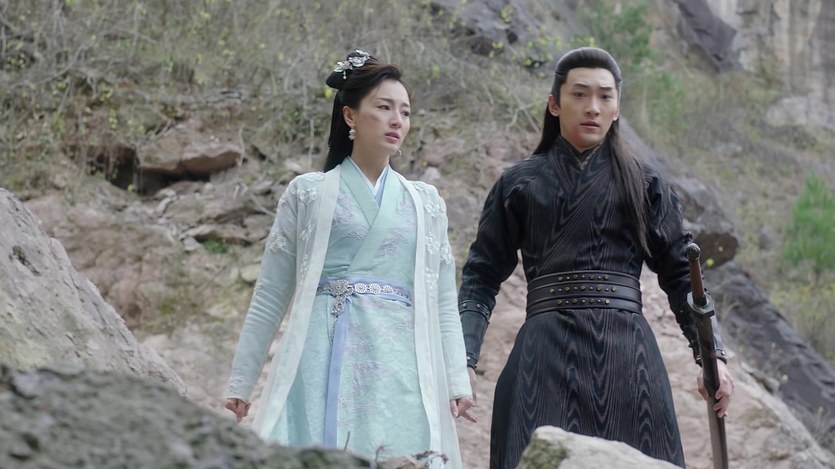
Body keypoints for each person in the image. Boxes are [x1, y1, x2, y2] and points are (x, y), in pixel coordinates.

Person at [457, 47, 735, 468]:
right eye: (579, 94)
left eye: (605, 96)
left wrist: (711, 356)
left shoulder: (645, 182)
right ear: (554, 104)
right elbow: (481, 276)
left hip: (629, 361)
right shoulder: (518, 183)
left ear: (617, 108)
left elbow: (682, 275)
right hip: (541, 359)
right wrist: (463, 359)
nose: (593, 107)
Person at [225, 50, 474, 467]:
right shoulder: (309, 192)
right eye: (384, 107)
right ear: (350, 116)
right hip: (323, 351)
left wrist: (456, 380)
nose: (397, 120)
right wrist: (242, 380)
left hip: (400, 359)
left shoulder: (426, 202)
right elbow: (270, 293)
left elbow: (444, 300)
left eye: (405, 112)